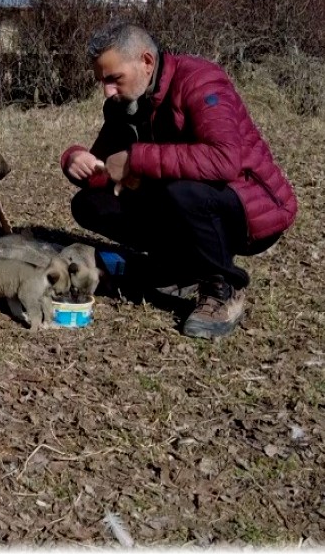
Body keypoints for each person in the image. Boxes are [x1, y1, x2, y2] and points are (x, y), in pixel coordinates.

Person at [60, 22, 298, 339]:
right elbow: (106, 168)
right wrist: (76, 159)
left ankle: (224, 287)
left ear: (146, 61)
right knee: (89, 205)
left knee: (180, 191)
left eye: (114, 78)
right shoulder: (123, 104)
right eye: (102, 81)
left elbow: (224, 160)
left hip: (251, 210)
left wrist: (136, 159)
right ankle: (177, 268)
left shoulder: (201, 81)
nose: (107, 90)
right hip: (186, 203)